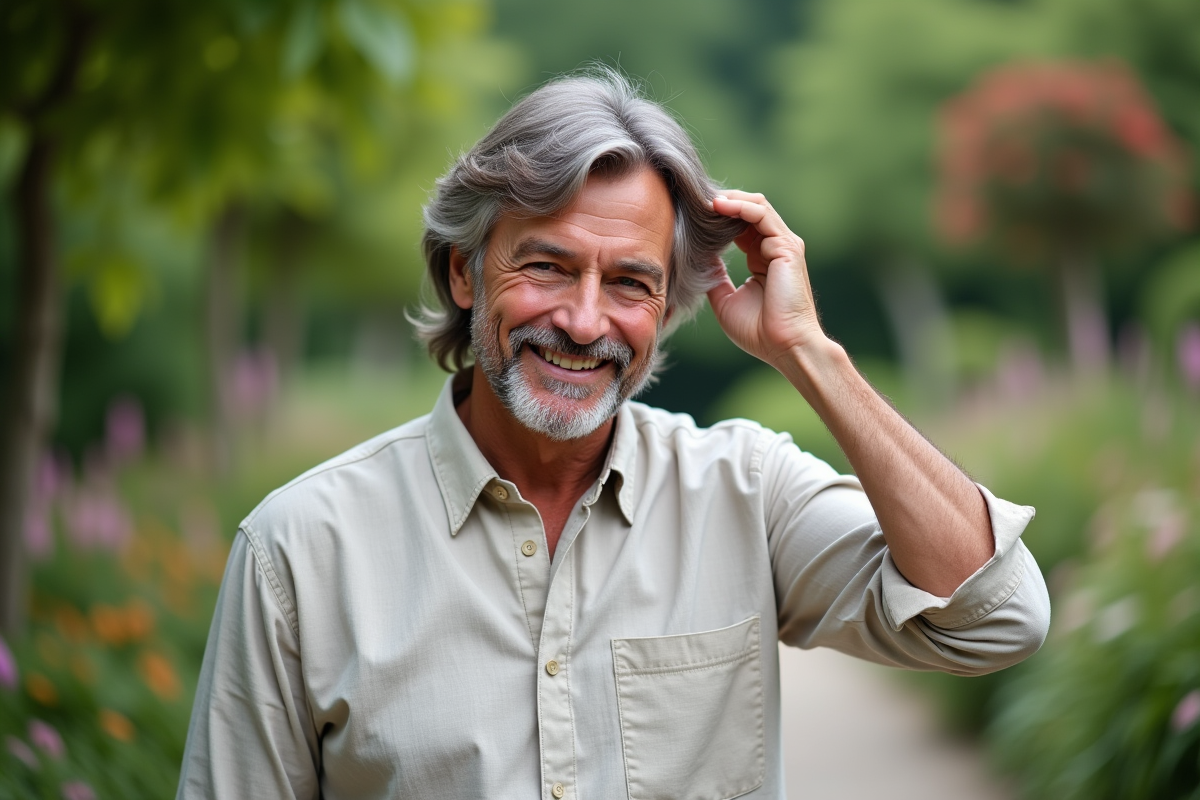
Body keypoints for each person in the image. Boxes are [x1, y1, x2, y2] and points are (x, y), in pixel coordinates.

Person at [177, 69, 1050, 800]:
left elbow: (995, 616)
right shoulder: (299, 551)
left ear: (667, 308)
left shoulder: (746, 494)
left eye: (631, 283)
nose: (585, 320)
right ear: (465, 273)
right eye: (547, 266)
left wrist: (809, 354)